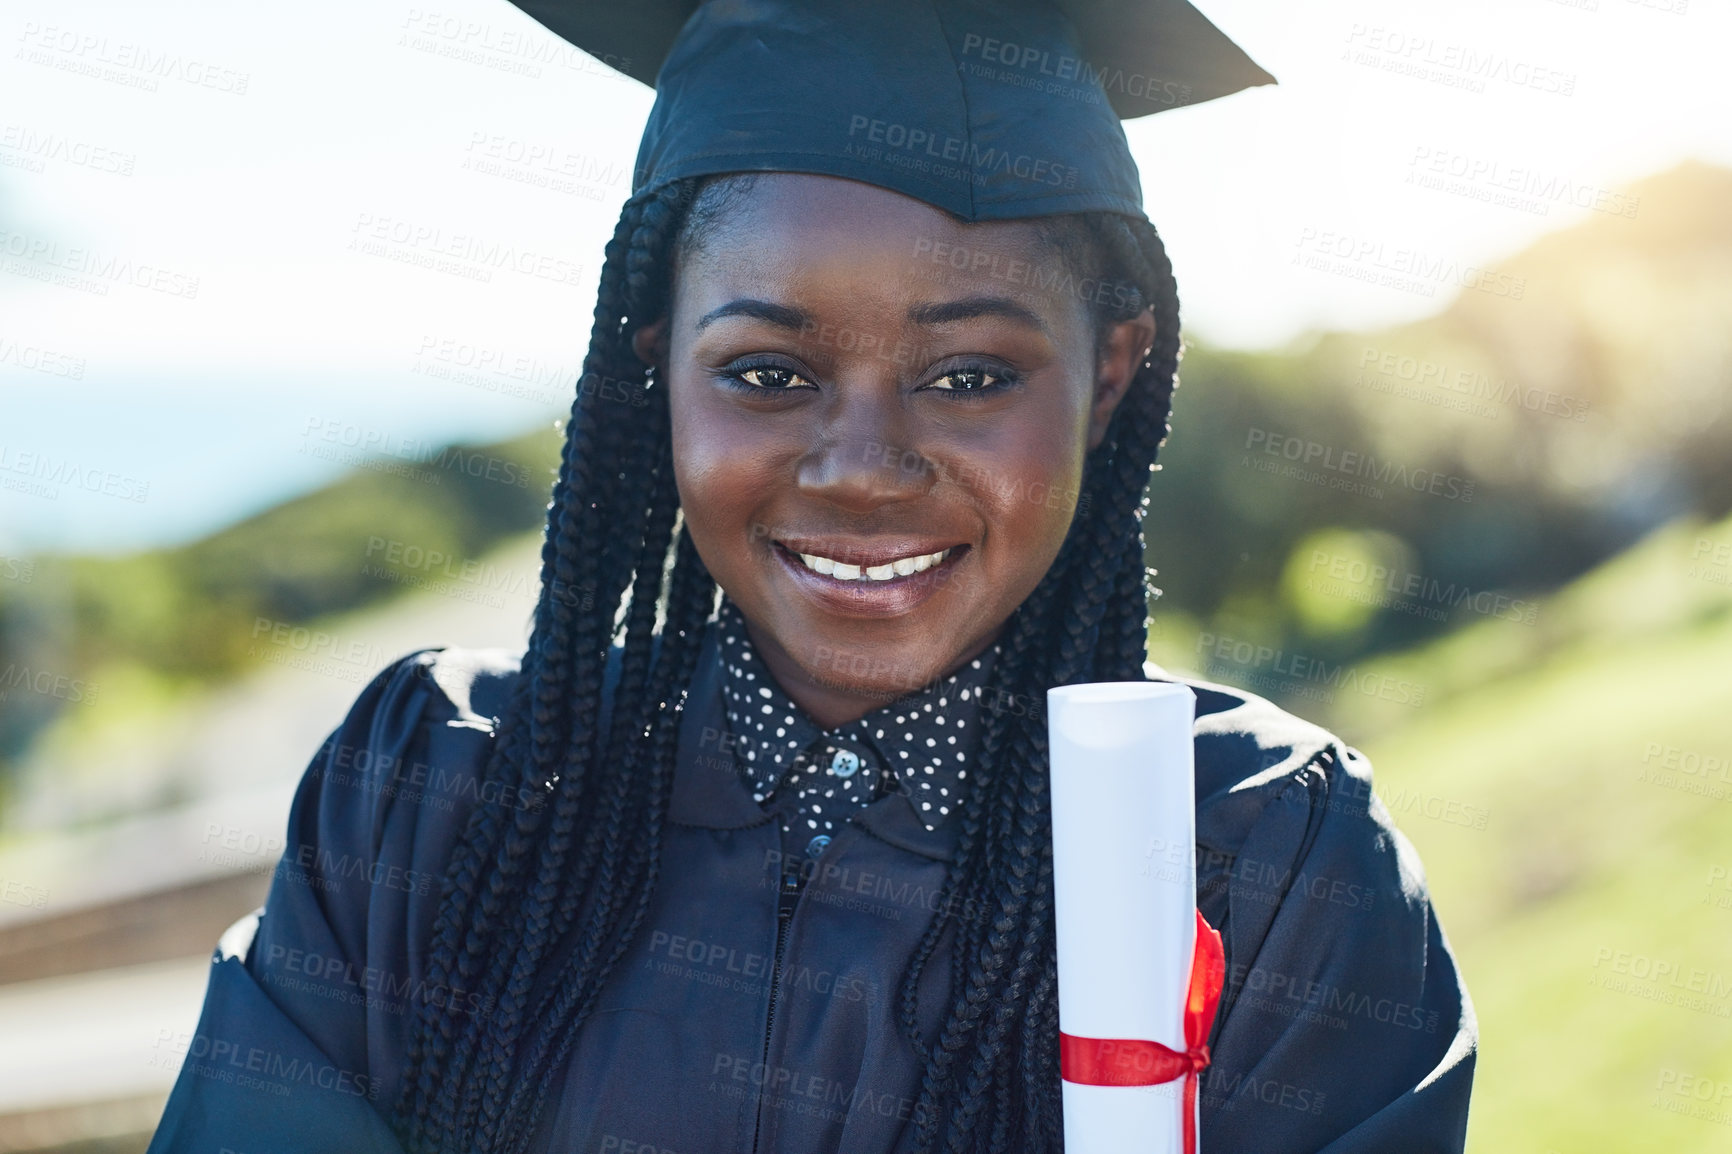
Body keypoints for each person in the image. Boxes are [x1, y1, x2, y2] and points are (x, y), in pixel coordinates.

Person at [147, 2, 1475, 1152]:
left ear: (1111, 375)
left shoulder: (1266, 856)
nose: (861, 467)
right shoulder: (440, 792)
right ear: (656, 364)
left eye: (970, 377)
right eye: (768, 374)